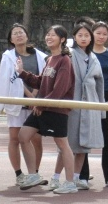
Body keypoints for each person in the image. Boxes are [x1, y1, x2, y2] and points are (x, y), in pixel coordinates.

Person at [16, 26, 78, 194]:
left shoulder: (64, 61)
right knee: (23, 136)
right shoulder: (50, 59)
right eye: (47, 34)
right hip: (43, 108)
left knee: (62, 144)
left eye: (53, 35)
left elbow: (60, 89)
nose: (49, 37)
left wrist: (40, 104)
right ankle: (33, 174)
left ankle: (70, 183)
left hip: (56, 110)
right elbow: (40, 82)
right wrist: (22, 73)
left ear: (62, 39)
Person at [0, 24, 46, 186]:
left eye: (21, 32)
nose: (18, 35)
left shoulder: (40, 56)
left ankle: (34, 173)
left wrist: (35, 97)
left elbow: (43, 77)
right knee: (15, 138)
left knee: (36, 139)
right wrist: (29, 97)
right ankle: (19, 174)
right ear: (11, 39)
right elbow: (7, 79)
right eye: (15, 33)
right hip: (17, 102)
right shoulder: (8, 57)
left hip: (36, 104)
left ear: (27, 36)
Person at [79, 21, 108, 187]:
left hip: (106, 99)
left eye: (105, 34)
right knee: (84, 136)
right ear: (92, 34)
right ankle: (82, 176)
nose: (101, 36)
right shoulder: (83, 54)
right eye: (98, 33)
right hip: (87, 98)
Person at [66, 23, 105, 190]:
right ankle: (58, 177)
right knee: (67, 144)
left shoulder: (93, 57)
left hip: (90, 102)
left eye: (86, 36)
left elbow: (100, 84)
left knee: (84, 146)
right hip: (72, 102)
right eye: (80, 35)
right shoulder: (69, 54)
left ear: (91, 38)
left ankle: (77, 177)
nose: (83, 38)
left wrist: (101, 109)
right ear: (74, 37)